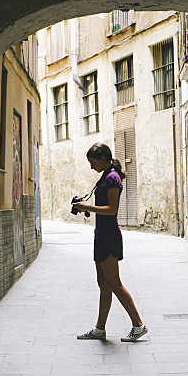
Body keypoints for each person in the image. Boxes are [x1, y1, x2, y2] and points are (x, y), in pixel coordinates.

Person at [73, 143, 148, 342]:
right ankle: (99, 328)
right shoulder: (106, 175)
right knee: (103, 283)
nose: (91, 167)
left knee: (114, 283)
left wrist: (87, 206)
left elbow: (112, 209)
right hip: (101, 234)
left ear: (104, 159)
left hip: (109, 235)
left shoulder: (112, 177)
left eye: (93, 162)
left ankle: (138, 325)